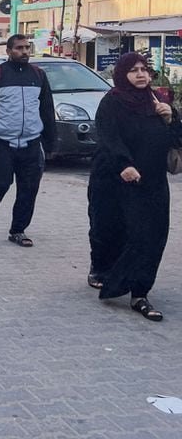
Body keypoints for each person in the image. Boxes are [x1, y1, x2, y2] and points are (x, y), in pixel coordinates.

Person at [87, 53, 181, 321]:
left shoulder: (157, 102)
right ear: (122, 74)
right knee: (118, 231)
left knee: (153, 235)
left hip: (152, 180)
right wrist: (124, 164)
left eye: (144, 70)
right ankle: (115, 278)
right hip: (119, 179)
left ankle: (139, 290)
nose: (141, 75)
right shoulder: (113, 102)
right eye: (134, 70)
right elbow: (108, 137)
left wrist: (171, 117)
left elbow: (176, 139)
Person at [0, 34, 56, 247]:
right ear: (9, 51)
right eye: (19, 48)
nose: (24, 52)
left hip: (31, 142)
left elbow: (47, 109)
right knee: (1, 183)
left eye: (27, 48)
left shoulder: (38, 75)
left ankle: (18, 230)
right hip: (3, 142)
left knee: (29, 189)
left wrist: (50, 142)